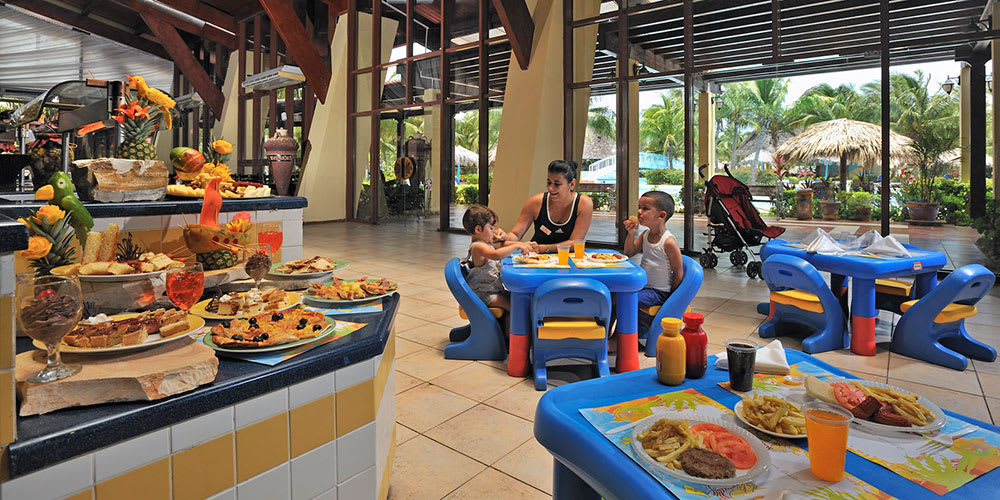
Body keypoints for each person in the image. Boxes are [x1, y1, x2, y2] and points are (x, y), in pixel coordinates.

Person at [500, 160, 594, 252]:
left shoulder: (584, 204)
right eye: (549, 182)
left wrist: (544, 248)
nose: (550, 188)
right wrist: (505, 237)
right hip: (536, 257)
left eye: (557, 184)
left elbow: (575, 243)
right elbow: (516, 234)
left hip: (566, 258)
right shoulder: (535, 202)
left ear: (572, 184)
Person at [622, 191, 684, 330]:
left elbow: (678, 272)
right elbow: (629, 252)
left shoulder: (668, 242)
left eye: (645, 208)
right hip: (643, 287)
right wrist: (631, 233)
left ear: (661, 216)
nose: (639, 212)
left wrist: (672, 300)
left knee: (625, 299)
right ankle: (617, 335)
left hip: (658, 292)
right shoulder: (646, 234)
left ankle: (620, 336)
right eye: (639, 207)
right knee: (617, 293)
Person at [462, 204, 535, 313]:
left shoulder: (486, 243)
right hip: (486, 294)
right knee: (517, 308)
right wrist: (517, 246)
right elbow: (496, 254)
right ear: (478, 229)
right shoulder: (477, 247)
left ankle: (508, 323)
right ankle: (516, 324)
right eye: (491, 228)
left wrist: (522, 244)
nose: (494, 231)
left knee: (521, 301)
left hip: (495, 290)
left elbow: (501, 245)